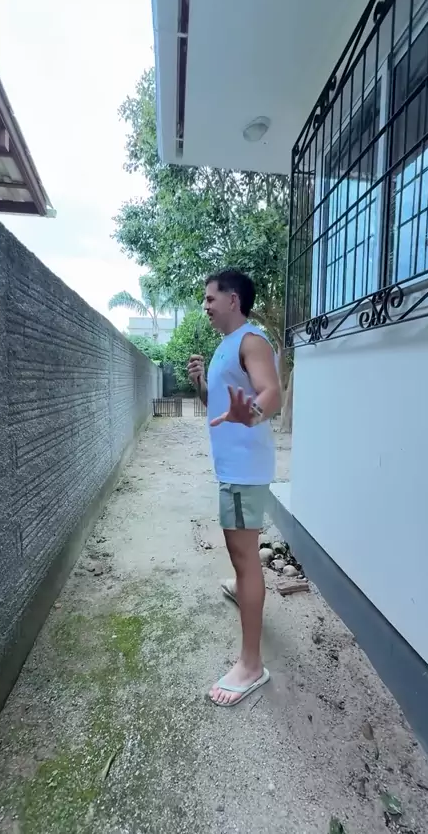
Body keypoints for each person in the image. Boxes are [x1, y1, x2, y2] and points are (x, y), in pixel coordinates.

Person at [187, 269, 281, 707]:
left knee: (244, 558)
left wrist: (254, 413)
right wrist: (202, 385)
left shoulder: (251, 340)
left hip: (244, 471)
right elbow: (220, 405)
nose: (205, 305)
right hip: (233, 469)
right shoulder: (226, 344)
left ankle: (251, 665)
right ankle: (242, 585)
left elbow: (271, 394)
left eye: (210, 298)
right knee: (240, 556)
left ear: (233, 299)